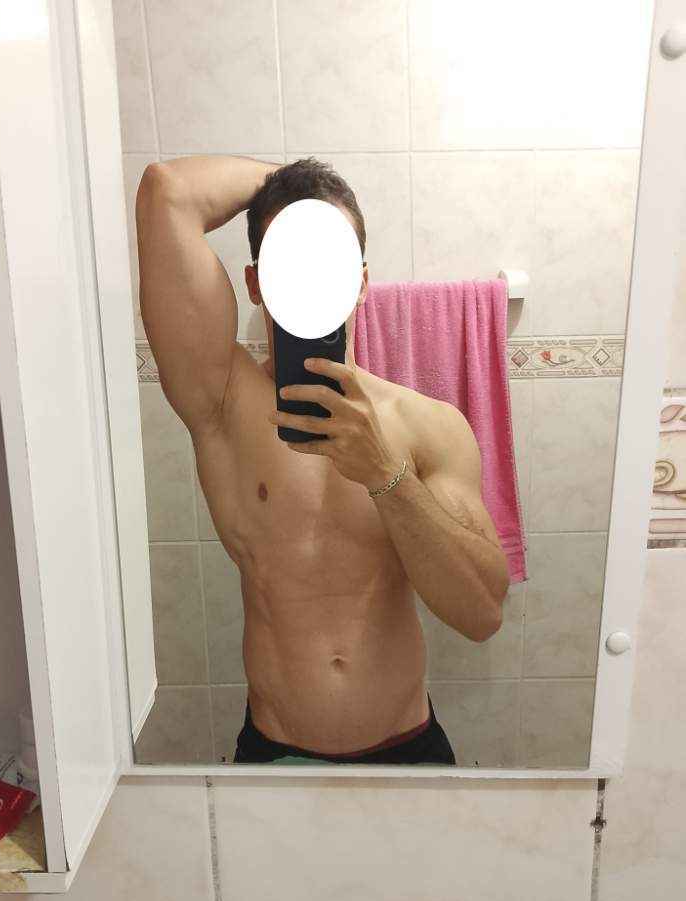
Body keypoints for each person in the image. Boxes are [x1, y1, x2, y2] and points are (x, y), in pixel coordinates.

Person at [135, 155, 509, 765]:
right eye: (291, 259)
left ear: (361, 281)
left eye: (327, 258)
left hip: (408, 749)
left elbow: (482, 613)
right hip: (274, 753)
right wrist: (294, 184)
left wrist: (386, 475)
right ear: (256, 283)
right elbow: (167, 191)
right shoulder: (223, 401)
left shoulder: (429, 426)